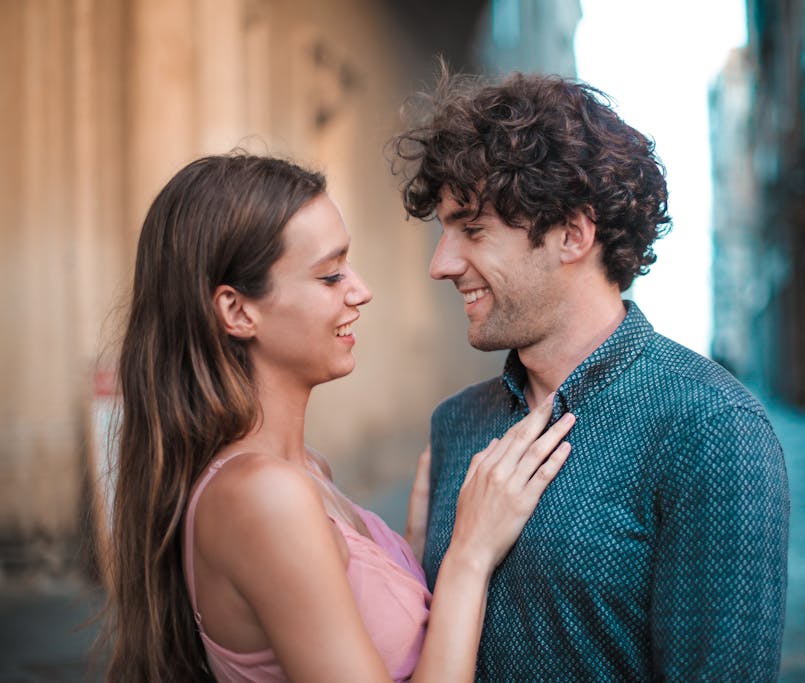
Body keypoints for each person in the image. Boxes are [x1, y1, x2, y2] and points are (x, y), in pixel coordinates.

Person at [101, 153, 576, 682]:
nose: (360, 290)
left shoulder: (308, 471)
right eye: (330, 275)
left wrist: (412, 554)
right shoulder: (262, 496)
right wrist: (469, 554)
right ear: (237, 311)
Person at [391, 71, 790, 681]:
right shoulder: (456, 424)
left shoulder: (711, 429)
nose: (441, 265)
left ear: (573, 235)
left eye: (472, 230)